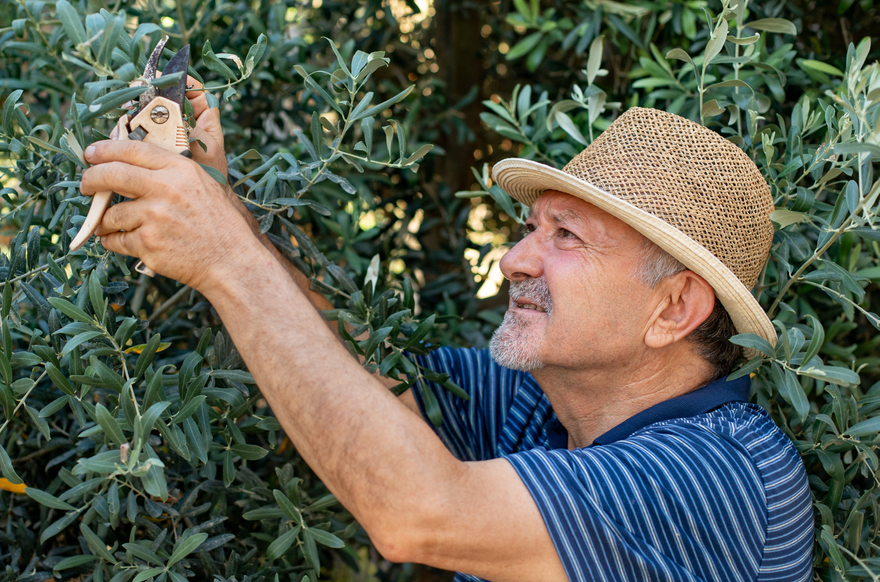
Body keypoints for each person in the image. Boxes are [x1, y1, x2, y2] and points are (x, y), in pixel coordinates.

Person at [78, 84, 814, 581]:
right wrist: (223, 204)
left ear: (674, 309)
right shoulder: (542, 405)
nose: (515, 257)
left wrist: (226, 259)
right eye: (531, 227)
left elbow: (415, 511)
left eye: (565, 236)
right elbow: (355, 373)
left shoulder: (727, 477)